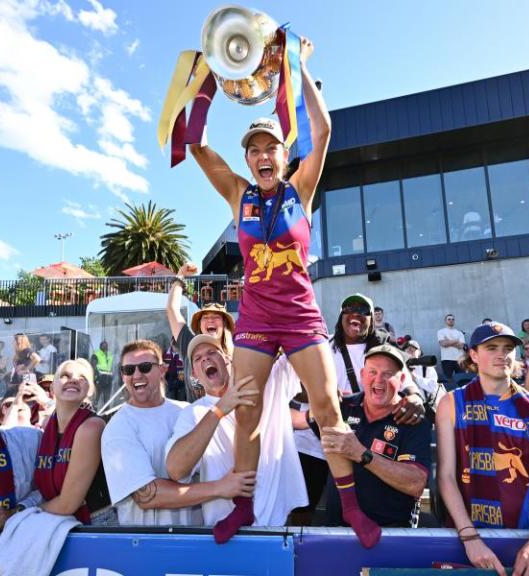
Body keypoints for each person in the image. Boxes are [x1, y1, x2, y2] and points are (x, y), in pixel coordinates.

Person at [188, 39, 381, 547]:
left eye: (269, 147)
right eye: (253, 149)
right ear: (248, 159)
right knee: (246, 410)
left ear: (281, 152)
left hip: (300, 317)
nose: (261, 155)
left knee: (327, 412)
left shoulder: (300, 188)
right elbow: (196, 145)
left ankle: (351, 507)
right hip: (253, 318)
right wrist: (205, 84)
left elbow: (324, 130)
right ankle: (243, 506)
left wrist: (302, 68)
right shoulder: (238, 194)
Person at [436, 323, 529, 576]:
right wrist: (470, 538)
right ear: (474, 355)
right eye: (492, 347)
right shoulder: (451, 403)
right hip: (467, 538)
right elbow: (445, 475)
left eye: (508, 348)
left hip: (525, 539)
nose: (502, 354)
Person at [101, 339, 250, 527]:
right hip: (146, 545)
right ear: (123, 376)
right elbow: (146, 496)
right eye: (128, 370)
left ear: (162, 370)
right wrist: (219, 488)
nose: (136, 375)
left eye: (145, 367)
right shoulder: (119, 427)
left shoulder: (189, 412)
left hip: (196, 541)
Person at [165, 334, 305, 527]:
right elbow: (175, 469)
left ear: (227, 359)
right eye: (197, 359)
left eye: (212, 352)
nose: (205, 358)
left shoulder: (267, 383)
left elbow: (301, 344)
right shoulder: (192, 414)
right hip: (227, 534)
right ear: (194, 375)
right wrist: (220, 409)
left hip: (277, 528)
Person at [300, 345, 430, 527]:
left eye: (387, 374)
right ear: (362, 374)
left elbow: (415, 483)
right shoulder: (342, 407)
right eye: (372, 372)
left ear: (401, 379)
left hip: (392, 536)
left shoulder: (412, 418)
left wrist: (361, 454)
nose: (379, 380)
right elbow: (297, 420)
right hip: (338, 533)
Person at [34, 359, 110, 524]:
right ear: (52, 387)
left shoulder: (92, 427)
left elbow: (67, 505)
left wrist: (21, 513)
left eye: (82, 377)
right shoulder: (47, 426)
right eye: (65, 375)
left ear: (90, 390)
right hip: (55, 520)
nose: (74, 380)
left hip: (94, 526)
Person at [166, 262, 236, 401]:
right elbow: (172, 310)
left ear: (224, 325)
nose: (210, 320)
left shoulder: (238, 354)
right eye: (205, 318)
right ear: (199, 325)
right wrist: (180, 275)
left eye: (216, 317)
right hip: (198, 419)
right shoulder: (189, 344)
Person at [437, 313, 467, 386]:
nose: (451, 321)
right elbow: (443, 344)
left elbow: (461, 346)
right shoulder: (441, 332)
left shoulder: (459, 333)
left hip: (459, 360)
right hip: (446, 359)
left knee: (462, 381)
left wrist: (448, 341)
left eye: (453, 319)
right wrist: (456, 340)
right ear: (445, 321)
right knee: (447, 381)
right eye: (449, 319)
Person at [90, 340, 114, 408]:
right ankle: (93, 414)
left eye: (106, 345)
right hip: (99, 378)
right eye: (103, 345)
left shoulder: (110, 354)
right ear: (100, 346)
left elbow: (111, 366)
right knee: (96, 398)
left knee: (107, 400)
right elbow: (93, 366)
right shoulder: (96, 354)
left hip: (108, 379)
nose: (105, 347)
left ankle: (106, 416)